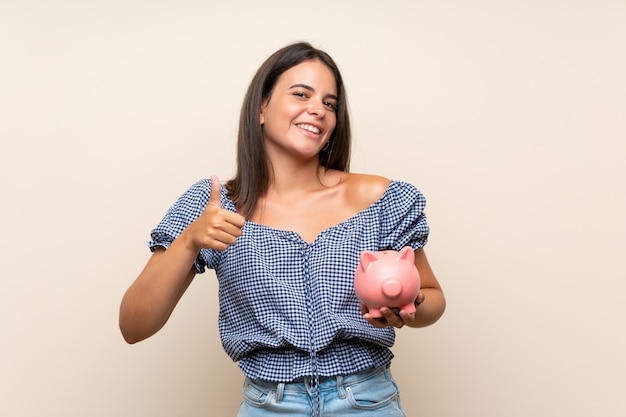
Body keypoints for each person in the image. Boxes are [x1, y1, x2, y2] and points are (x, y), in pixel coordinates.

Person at [119, 41, 446, 416]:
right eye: (301, 94)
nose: (317, 110)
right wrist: (190, 240)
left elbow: (433, 297)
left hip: (367, 401)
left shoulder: (379, 198)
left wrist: (410, 306)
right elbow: (133, 325)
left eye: (329, 103)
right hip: (269, 406)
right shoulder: (216, 205)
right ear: (262, 107)